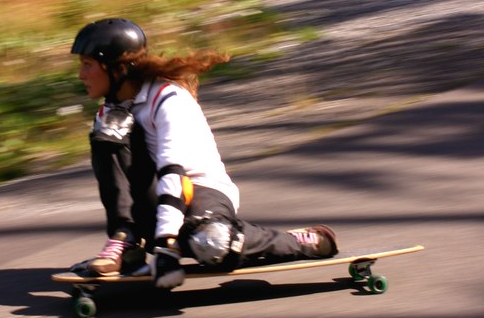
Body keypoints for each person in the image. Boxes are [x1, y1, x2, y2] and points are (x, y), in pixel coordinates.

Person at [70, 17, 338, 290]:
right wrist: (156, 239)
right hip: (158, 199)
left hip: (201, 189)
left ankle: (303, 241)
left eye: (88, 65)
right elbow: (121, 179)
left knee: (212, 243)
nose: (81, 75)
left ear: (117, 68)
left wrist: (165, 242)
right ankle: (124, 241)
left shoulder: (168, 99)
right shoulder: (111, 111)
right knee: (109, 127)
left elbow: (173, 170)